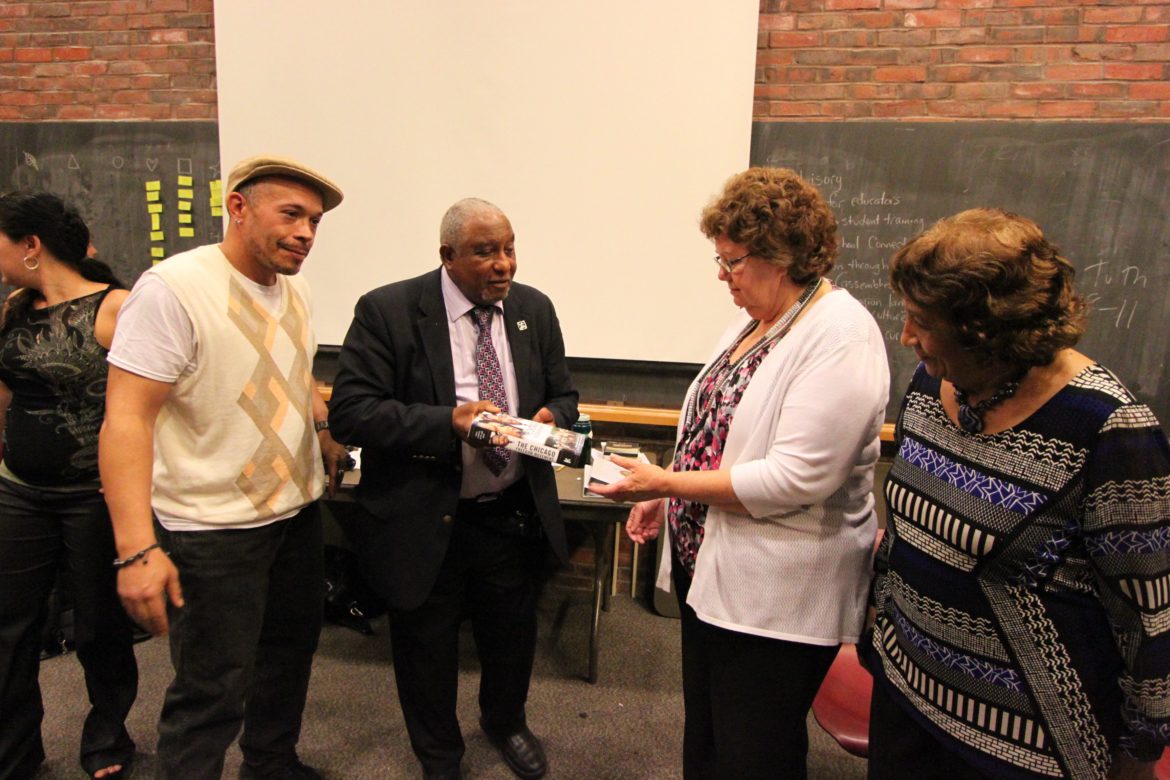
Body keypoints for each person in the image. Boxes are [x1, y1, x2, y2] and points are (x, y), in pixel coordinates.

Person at [591, 167, 889, 779]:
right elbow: (718, 435)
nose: (722, 276)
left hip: (777, 596)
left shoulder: (842, 334)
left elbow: (794, 479)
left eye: (733, 262)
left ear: (782, 256)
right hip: (717, 579)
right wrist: (670, 491)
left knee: (756, 755)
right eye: (719, 259)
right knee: (708, 743)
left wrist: (664, 484)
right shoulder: (760, 318)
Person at [865, 208, 1170, 780]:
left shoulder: (1107, 428)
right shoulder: (935, 381)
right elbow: (906, 531)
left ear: (984, 330)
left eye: (920, 322)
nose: (905, 337)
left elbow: (1147, 616)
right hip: (909, 692)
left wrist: (1142, 751)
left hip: (1027, 740)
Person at [98, 156, 351, 780]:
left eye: (314, 222)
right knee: (212, 690)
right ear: (238, 208)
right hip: (210, 529)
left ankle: (270, 764)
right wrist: (135, 551)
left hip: (293, 513)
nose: (306, 234)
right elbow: (125, 419)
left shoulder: (297, 288)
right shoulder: (172, 289)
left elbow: (294, 376)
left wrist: (321, 431)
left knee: (289, 656)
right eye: (291, 214)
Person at [328, 197, 578, 780]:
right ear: (447, 256)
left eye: (509, 248)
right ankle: (439, 756)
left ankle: (505, 722)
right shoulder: (388, 311)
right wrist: (448, 423)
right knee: (425, 647)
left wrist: (550, 417)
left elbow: (565, 394)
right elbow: (352, 412)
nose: (504, 264)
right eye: (485, 251)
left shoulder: (533, 310)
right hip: (424, 514)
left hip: (511, 512)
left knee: (512, 635)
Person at [0, 192, 136, 780]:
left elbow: (149, 405)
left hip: (95, 496)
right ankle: (14, 749)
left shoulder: (116, 307)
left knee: (100, 626)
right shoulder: (12, 308)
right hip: (19, 490)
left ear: (31, 245)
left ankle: (107, 737)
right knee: (9, 627)